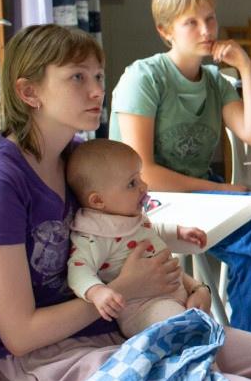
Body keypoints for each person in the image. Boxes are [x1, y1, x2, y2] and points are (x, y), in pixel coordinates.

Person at [0, 24, 251, 381]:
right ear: (29, 92)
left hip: (120, 327)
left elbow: (131, 236)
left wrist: (196, 288)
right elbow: (20, 335)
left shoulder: (79, 159)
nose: (97, 90)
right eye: (77, 77)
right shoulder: (0, 182)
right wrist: (126, 288)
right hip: (46, 359)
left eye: (98, 76)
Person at [109, 0, 251, 336]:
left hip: (197, 194)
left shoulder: (214, 81)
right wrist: (224, 189)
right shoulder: (144, 78)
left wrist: (245, 67)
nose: (206, 30)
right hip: (143, 199)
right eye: (191, 22)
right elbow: (143, 173)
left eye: (210, 18)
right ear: (165, 30)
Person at [65, 138, 211, 337]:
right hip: (143, 309)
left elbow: (150, 230)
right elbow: (78, 269)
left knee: (205, 328)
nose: (144, 186)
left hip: (176, 295)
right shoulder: (93, 234)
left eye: (140, 178)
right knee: (186, 330)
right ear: (98, 200)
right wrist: (97, 291)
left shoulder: (129, 216)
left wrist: (178, 232)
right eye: (132, 183)